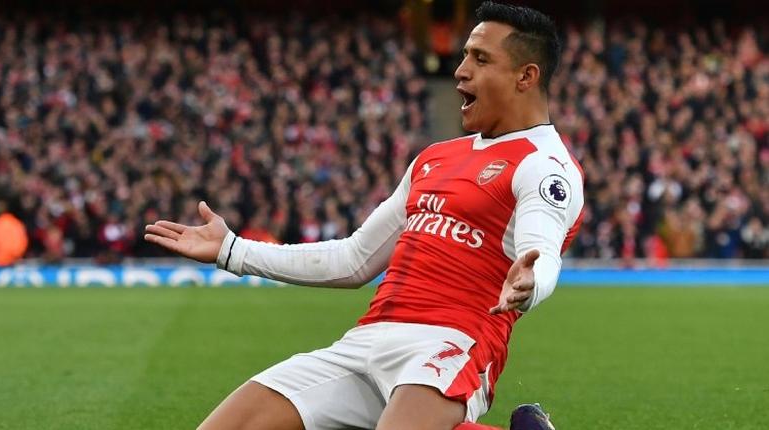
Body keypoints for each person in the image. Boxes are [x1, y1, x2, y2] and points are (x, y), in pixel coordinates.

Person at [144, 2, 583, 429]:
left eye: (480, 59)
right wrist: (231, 250)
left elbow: (540, 252)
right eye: (465, 54)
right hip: (365, 342)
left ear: (526, 76)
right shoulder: (435, 158)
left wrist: (531, 284)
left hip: (451, 344)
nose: (460, 70)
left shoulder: (544, 165)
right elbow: (354, 259)